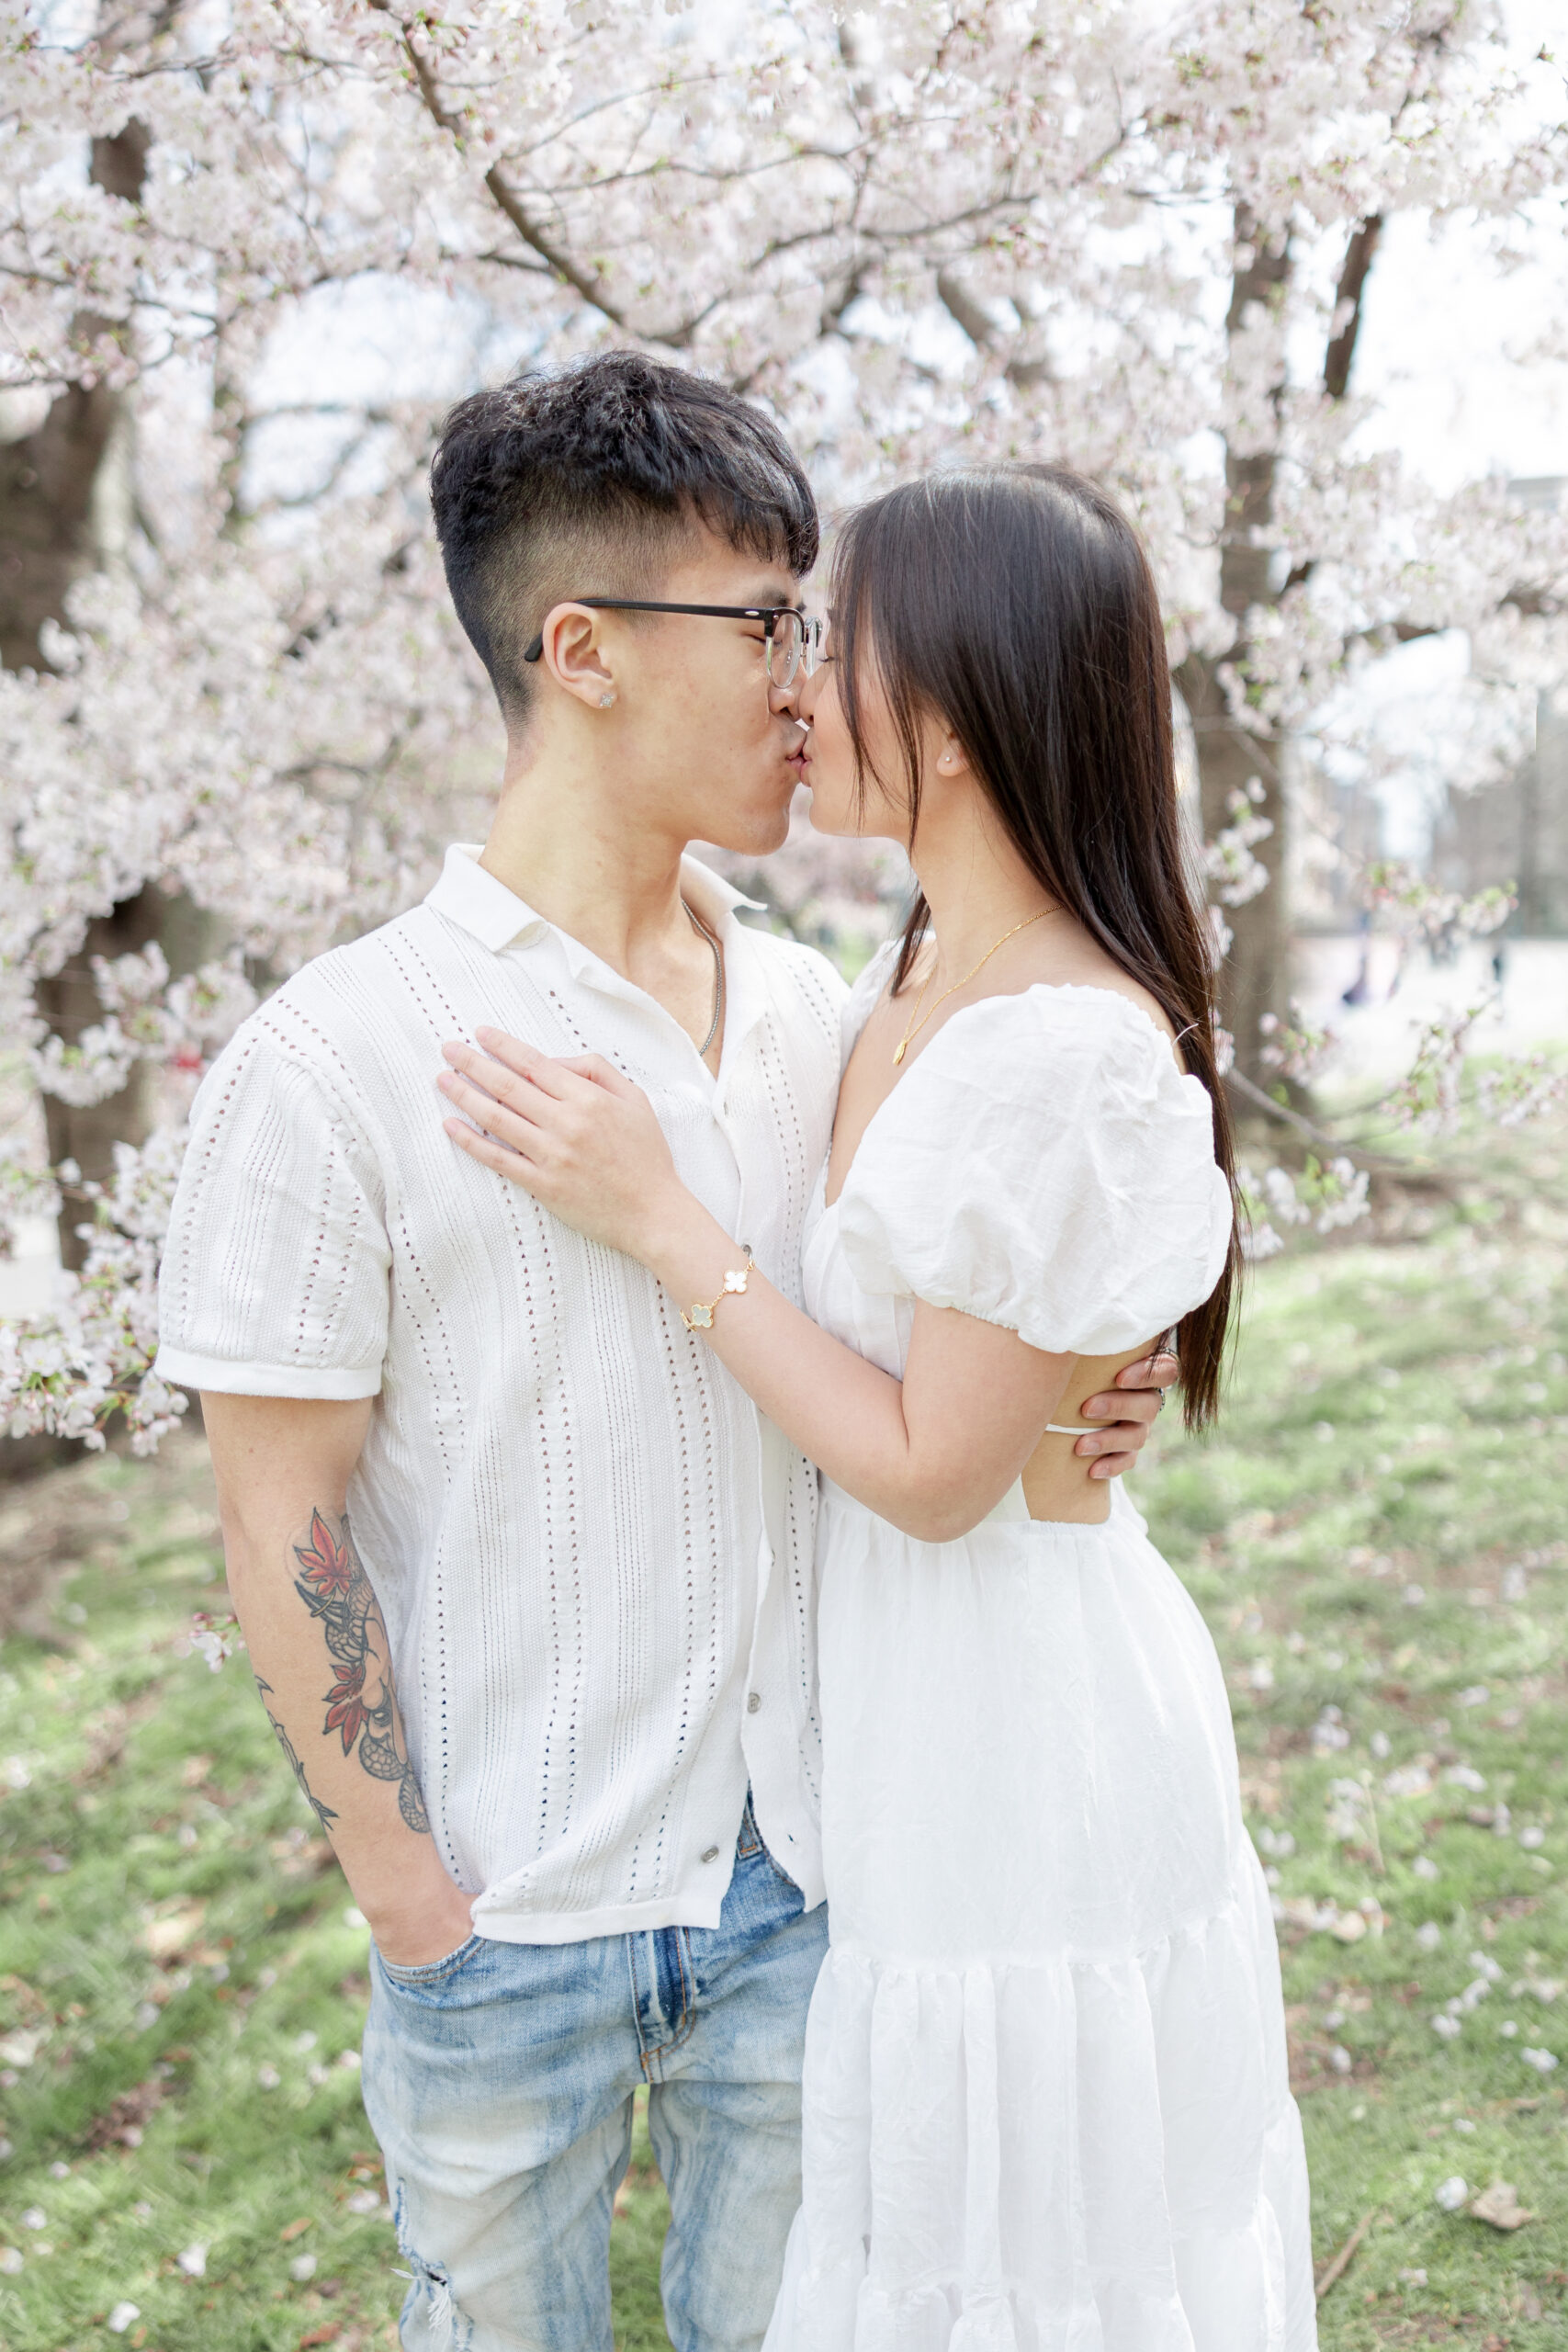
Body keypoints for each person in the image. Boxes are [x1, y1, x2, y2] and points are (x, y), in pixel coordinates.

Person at [153, 357, 1173, 2352]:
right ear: (581, 648)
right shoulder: (333, 1056)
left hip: (812, 1887)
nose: (811, 676)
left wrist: (1075, 1396)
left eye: (815, 618)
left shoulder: (828, 1018)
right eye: (765, 620)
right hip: (502, 1926)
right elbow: (277, 1504)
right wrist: (401, 1890)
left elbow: (924, 1346)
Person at [439, 465, 1317, 2347]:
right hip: (908, 1713)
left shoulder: (1063, 1045)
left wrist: (663, 1223)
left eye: (836, 642)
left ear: (964, 688)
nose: (798, 684)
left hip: (1019, 1729)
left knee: (1016, 2240)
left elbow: (929, 1471)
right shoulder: (892, 983)